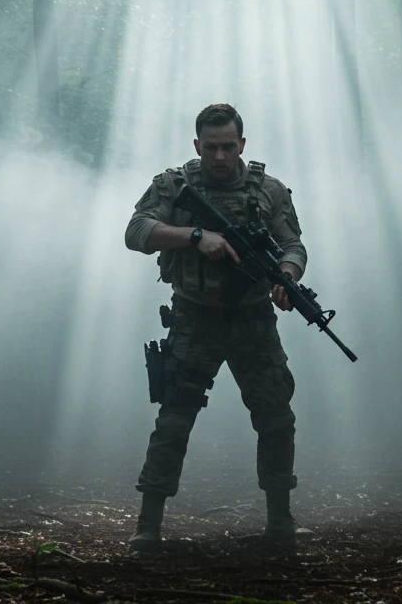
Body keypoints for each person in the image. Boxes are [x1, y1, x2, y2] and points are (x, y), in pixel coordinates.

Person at [123, 103, 309, 553]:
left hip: (253, 320)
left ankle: (280, 522)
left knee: (277, 418)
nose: (221, 156)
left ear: (242, 144)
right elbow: (136, 232)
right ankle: (148, 526)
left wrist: (287, 276)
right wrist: (193, 237)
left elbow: (293, 245)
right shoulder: (173, 185)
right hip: (194, 319)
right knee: (174, 421)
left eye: (229, 146)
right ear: (197, 146)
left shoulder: (269, 190)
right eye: (211, 147)